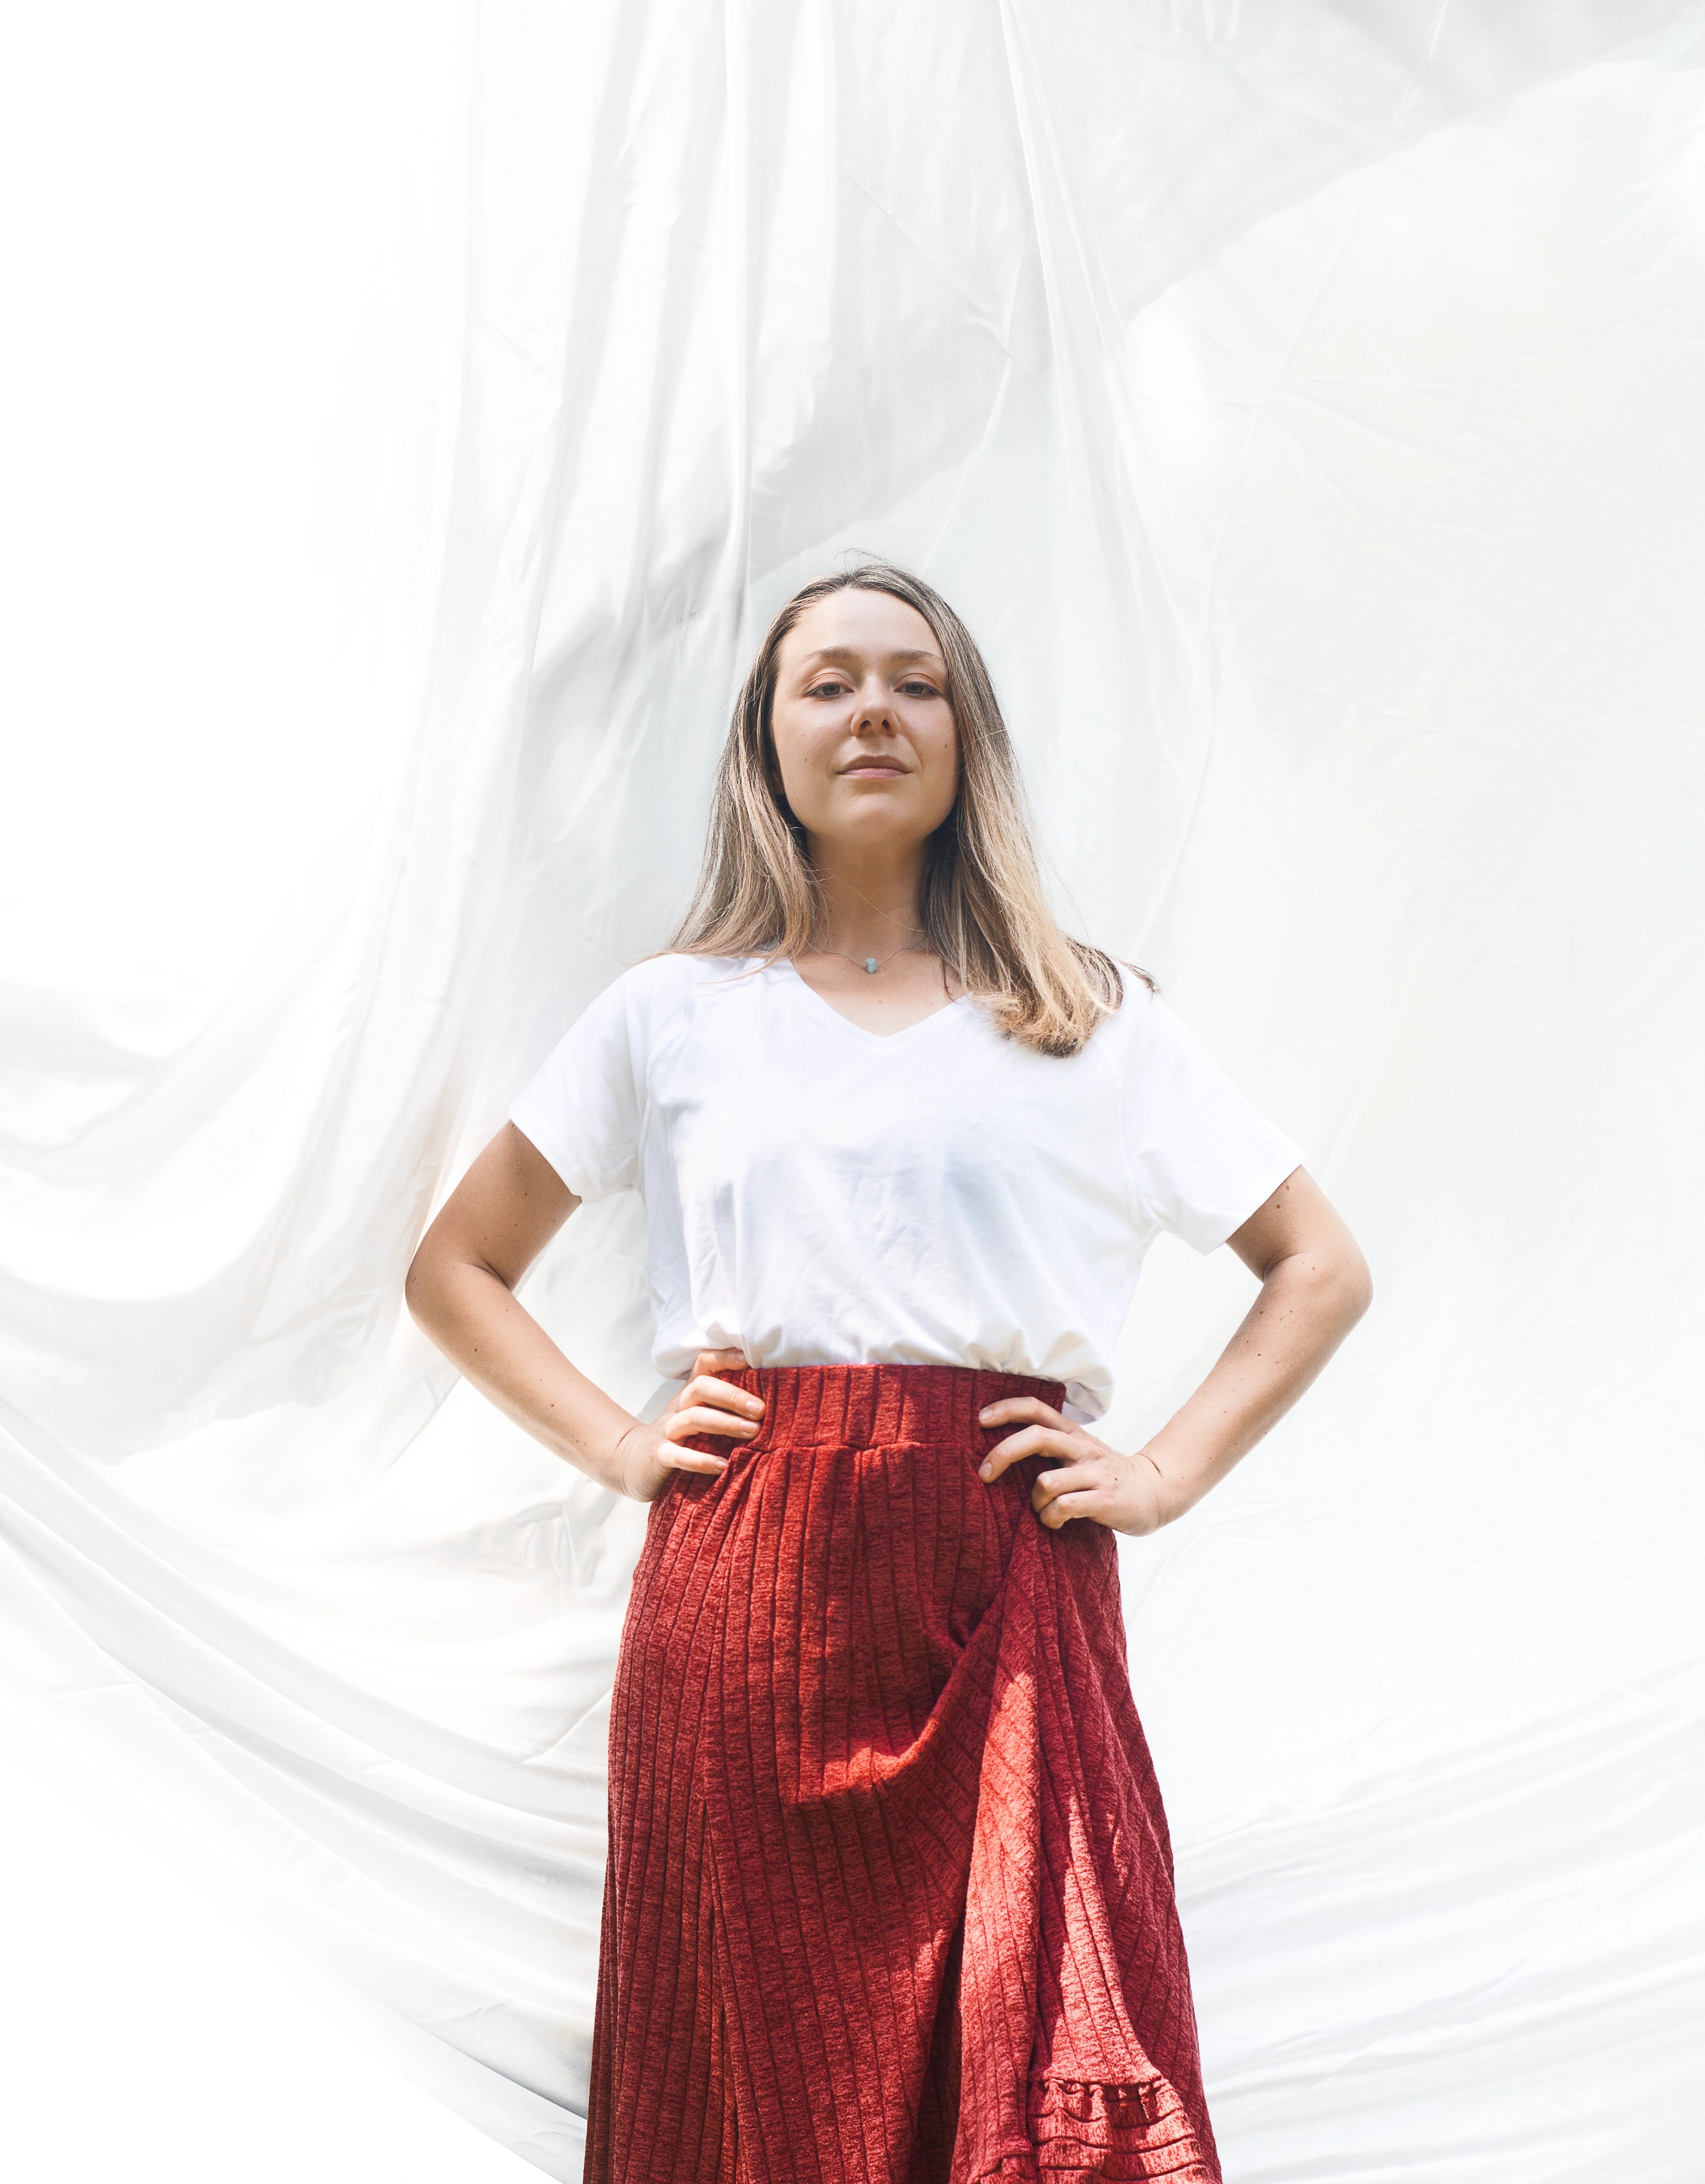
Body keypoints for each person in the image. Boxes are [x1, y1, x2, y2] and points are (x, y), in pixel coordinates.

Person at [406, 562, 1371, 2184]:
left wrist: (1160, 1472)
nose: (873, 710)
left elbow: (1319, 1266)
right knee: (754, 2072)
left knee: (1057, 2044)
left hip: (1004, 1577)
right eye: (829, 681)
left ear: (965, 733)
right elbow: (456, 1266)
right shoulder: (671, 1017)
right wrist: (622, 1444)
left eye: (915, 681)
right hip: (745, 1601)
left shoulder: (1083, 1015)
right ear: (765, 742)